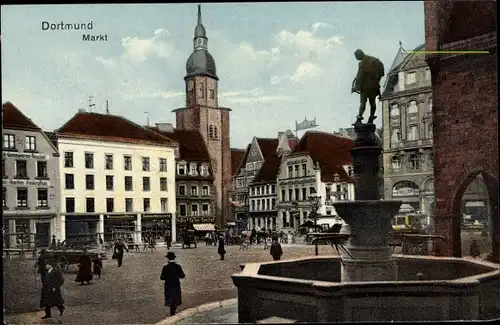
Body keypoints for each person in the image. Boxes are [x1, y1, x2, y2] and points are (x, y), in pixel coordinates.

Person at [351, 49, 385, 124]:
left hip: (365, 87)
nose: (356, 59)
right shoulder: (374, 60)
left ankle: (359, 119)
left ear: (359, 55)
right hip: (374, 86)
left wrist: (355, 88)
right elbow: (381, 72)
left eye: (356, 57)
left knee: (363, 103)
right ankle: (371, 118)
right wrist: (377, 80)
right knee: (372, 102)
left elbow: (359, 76)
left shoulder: (362, 63)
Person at [160, 252, 186, 316]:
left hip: (168, 286)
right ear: (174, 258)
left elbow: (162, 278)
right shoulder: (178, 266)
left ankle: (172, 313)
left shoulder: (165, 267)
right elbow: (182, 276)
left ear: (168, 259)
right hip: (176, 285)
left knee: (170, 300)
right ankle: (173, 311)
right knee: (175, 299)